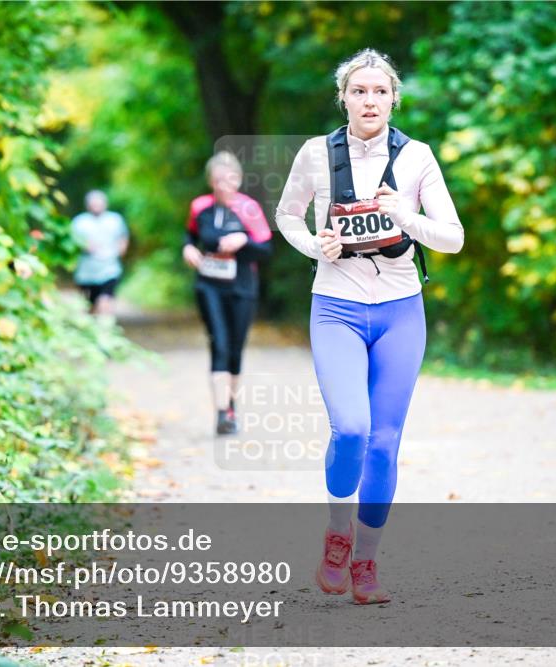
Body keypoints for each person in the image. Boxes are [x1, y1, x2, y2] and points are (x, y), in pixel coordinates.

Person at [275, 48, 464, 604]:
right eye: (359, 91)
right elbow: (287, 214)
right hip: (335, 304)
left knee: (384, 444)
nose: (370, 100)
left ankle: (366, 562)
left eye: (380, 91)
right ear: (344, 98)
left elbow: (452, 237)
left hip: (401, 307)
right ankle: (338, 533)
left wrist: (405, 216)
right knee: (352, 430)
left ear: (393, 98)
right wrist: (316, 245)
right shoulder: (315, 154)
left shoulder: (417, 157)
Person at [183, 151, 273, 435]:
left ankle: (231, 406)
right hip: (208, 284)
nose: (225, 185)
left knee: (235, 348)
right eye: (219, 180)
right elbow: (190, 235)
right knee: (218, 343)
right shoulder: (200, 207)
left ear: (239, 179)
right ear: (211, 180)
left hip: (242, 286)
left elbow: (267, 250)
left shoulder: (250, 209)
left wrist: (243, 240)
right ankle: (222, 413)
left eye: (230, 179)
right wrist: (187, 248)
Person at [71, 190, 129, 316]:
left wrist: (121, 250)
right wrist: (85, 247)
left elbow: (123, 236)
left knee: (105, 299)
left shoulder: (115, 219)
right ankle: (91, 327)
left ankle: (106, 326)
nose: (97, 206)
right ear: (88, 205)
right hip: (87, 271)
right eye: (94, 204)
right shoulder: (79, 222)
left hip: (109, 267)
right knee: (89, 304)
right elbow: (72, 243)